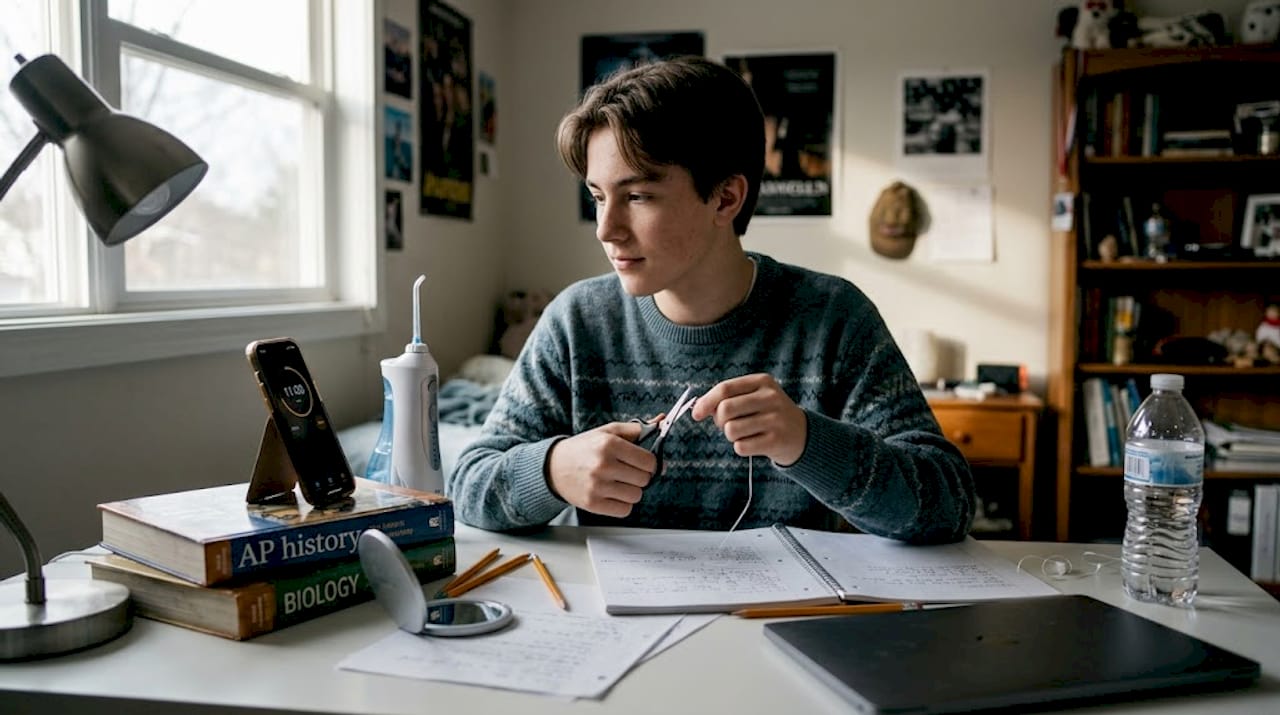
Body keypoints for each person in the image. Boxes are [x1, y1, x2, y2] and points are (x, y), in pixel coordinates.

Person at [447, 56, 974, 544]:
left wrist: (808, 443)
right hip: (619, 631)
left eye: (637, 197)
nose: (606, 230)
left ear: (725, 198)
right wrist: (552, 470)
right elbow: (469, 485)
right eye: (598, 197)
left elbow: (948, 504)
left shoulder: (833, 318)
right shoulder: (577, 321)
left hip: (785, 626)